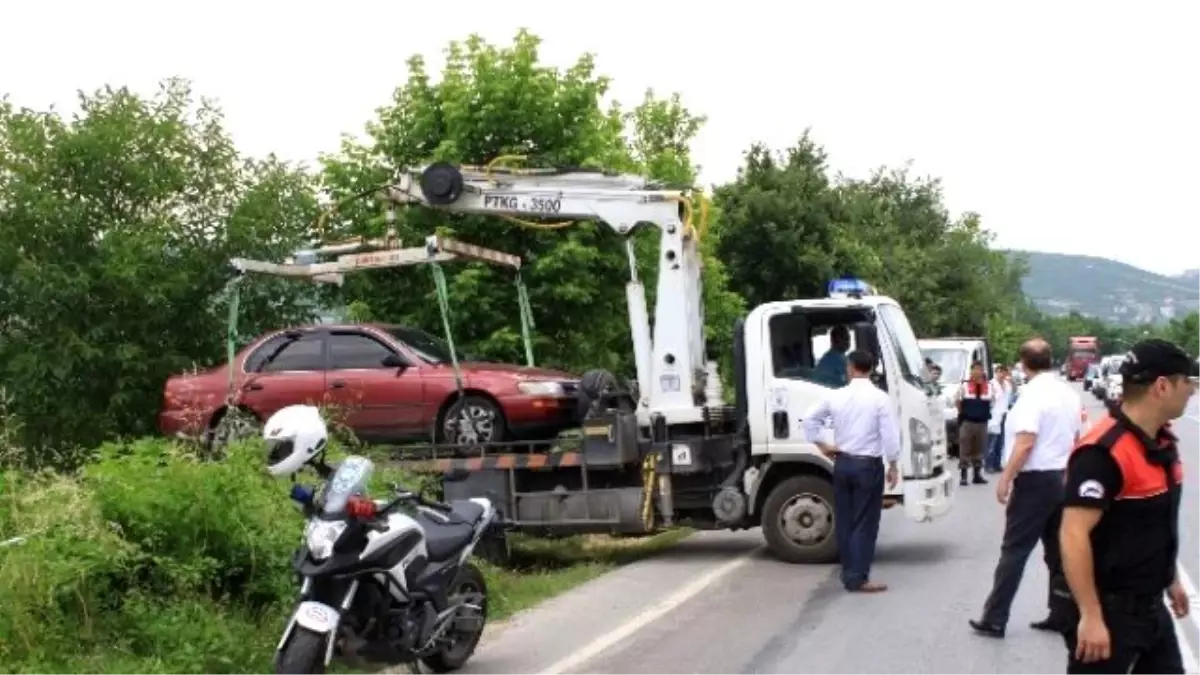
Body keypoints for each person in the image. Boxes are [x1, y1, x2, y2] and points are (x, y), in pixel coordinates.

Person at [1058, 339, 1194, 673]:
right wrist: (1090, 616)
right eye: (1187, 382)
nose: (1192, 391)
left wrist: (1171, 577)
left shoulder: (1160, 443)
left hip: (1151, 610)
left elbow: (1153, 525)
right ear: (1162, 386)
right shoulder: (1103, 452)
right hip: (1109, 612)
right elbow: (1073, 534)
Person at [969, 338, 1082, 639]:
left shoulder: (1032, 395)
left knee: (1015, 550)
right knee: (1059, 552)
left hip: (1035, 481)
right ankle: (1063, 613)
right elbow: (1077, 434)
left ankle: (995, 617)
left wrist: (1006, 477)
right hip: (1063, 476)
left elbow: (1026, 442)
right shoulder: (1067, 392)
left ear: (1023, 363)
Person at [802, 349, 901, 593]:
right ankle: (859, 577)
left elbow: (809, 419)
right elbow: (890, 435)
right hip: (868, 465)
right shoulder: (879, 398)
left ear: (850, 368)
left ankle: (849, 573)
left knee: (845, 521)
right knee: (865, 523)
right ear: (871, 369)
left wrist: (823, 445)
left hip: (843, 463)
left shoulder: (836, 396)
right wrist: (893, 463)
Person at [956, 360, 993, 486]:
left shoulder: (989, 387)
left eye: (980, 369)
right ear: (971, 371)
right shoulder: (965, 386)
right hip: (968, 421)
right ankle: (963, 476)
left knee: (979, 448)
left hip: (982, 422)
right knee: (965, 448)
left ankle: (977, 475)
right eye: (975, 369)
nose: (977, 372)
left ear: (983, 371)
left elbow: (993, 401)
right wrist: (963, 413)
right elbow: (958, 401)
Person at [985, 365, 1015, 473]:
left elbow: (1011, 397)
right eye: (999, 372)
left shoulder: (1007, 385)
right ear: (996, 372)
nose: (1001, 374)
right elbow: (988, 400)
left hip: (1004, 414)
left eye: (1003, 372)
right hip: (994, 415)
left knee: (1001, 442)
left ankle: (997, 464)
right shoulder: (991, 384)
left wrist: (1013, 382)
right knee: (992, 441)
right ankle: (989, 464)